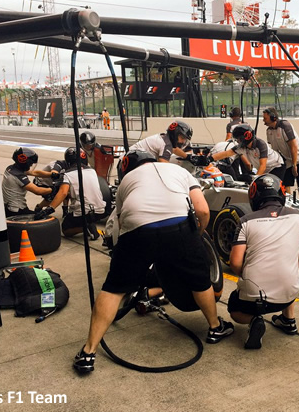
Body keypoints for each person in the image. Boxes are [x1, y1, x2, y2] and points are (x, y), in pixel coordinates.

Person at [73, 150, 234, 373]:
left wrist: (129, 255)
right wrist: (195, 237)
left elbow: (121, 222)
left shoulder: (126, 182)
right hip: (179, 226)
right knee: (200, 280)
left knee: (113, 290)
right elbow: (202, 210)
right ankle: (215, 328)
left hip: (138, 230)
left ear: (127, 168)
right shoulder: (178, 170)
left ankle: (88, 353)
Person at [227, 174, 299, 349]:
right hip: (290, 293)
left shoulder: (246, 221)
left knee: (234, 308)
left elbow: (235, 262)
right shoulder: (298, 217)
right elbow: (298, 256)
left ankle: (254, 320)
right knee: (286, 267)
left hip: (255, 298)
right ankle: (289, 320)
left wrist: (247, 274)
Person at [35, 147, 106, 239]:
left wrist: (48, 210)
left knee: (65, 229)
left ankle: (86, 227)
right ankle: (88, 223)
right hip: (100, 211)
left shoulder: (68, 175)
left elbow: (63, 193)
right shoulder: (92, 171)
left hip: (83, 212)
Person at [208, 124, 285, 181]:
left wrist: (254, 179)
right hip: (264, 170)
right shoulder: (242, 148)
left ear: (245, 137)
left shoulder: (260, 144)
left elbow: (263, 165)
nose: (237, 141)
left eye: (238, 139)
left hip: (276, 166)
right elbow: (226, 154)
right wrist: (209, 159)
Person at [2, 147, 53, 217]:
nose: (31, 165)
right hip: (17, 210)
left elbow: (34, 173)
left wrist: (52, 174)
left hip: (8, 207)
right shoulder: (19, 176)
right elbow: (37, 191)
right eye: (30, 163)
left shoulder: (11, 168)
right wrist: (52, 189)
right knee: (44, 218)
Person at [263, 107, 299, 187]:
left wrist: (294, 165)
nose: (263, 120)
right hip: (287, 161)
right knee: (285, 184)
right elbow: (274, 150)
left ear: (273, 117)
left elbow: (293, 147)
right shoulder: (269, 131)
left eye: (265, 118)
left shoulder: (285, 126)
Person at [129, 120, 193, 164]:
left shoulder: (165, 139)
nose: (183, 141)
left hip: (131, 158)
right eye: (182, 138)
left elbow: (175, 150)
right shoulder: (166, 144)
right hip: (133, 161)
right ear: (175, 134)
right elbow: (163, 163)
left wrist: (187, 157)